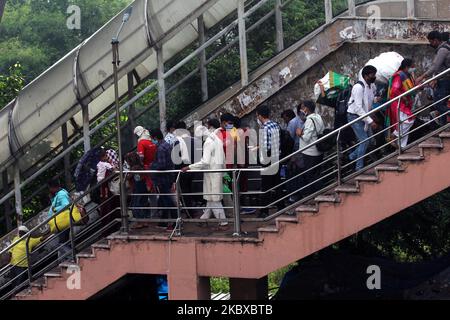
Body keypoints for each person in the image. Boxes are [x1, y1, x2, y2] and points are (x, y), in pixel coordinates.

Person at [181, 119, 228, 230]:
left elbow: (205, 161)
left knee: (214, 199)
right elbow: (223, 159)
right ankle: (204, 219)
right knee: (210, 198)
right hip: (217, 173)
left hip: (212, 174)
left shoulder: (208, 142)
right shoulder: (217, 139)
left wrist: (189, 167)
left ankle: (223, 223)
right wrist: (224, 172)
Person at [347, 65, 379, 171]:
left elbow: (368, 100)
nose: (374, 77)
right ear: (366, 76)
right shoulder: (358, 87)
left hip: (364, 115)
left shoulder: (370, 86)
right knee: (364, 141)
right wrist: (370, 121)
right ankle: (359, 168)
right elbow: (358, 108)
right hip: (355, 116)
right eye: (372, 75)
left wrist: (376, 99)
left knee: (369, 141)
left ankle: (351, 157)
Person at [417, 31, 450, 126]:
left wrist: (422, 77)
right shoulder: (445, 48)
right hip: (442, 80)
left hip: (445, 81)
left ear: (435, 40)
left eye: (431, 41)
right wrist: (435, 79)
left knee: (438, 104)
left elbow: (435, 66)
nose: (430, 44)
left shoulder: (443, 50)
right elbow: (440, 67)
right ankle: (443, 126)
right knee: (441, 103)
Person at [256, 104, 283, 218]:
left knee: (265, 185)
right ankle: (281, 206)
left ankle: (264, 211)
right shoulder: (275, 124)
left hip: (268, 158)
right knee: (277, 183)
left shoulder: (264, 127)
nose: (257, 117)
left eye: (257, 115)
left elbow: (266, 147)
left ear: (260, 115)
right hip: (277, 156)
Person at [6, 226, 50, 291]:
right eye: (19, 232)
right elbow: (10, 250)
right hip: (13, 264)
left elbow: (40, 239)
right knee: (14, 281)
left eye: (21, 233)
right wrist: (9, 261)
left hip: (23, 265)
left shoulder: (30, 240)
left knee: (20, 282)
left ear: (25, 233)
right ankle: (14, 293)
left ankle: (18, 293)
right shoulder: (16, 238)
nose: (20, 234)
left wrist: (50, 233)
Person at [296, 100, 325, 197]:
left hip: (310, 152)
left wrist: (300, 133)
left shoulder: (309, 120)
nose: (301, 109)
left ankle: (318, 194)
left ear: (306, 109)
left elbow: (306, 138)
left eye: (302, 107)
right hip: (318, 151)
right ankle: (316, 195)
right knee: (315, 174)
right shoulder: (318, 117)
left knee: (310, 176)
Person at [150, 129, 177, 231]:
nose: (152, 140)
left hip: (163, 178)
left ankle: (175, 222)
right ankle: (163, 222)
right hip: (169, 176)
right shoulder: (167, 145)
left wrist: (151, 166)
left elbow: (162, 164)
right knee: (164, 199)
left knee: (167, 200)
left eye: (152, 138)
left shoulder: (160, 148)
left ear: (155, 138)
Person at [387, 58, 416, 149]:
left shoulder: (408, 75)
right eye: (412, 66)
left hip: (405, 103)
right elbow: (394, 90)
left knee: (403, 124)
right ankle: (393, 136)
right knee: (409, 120)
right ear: (407, 67)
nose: (414, 68)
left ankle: (401, 147)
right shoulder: (399, 75)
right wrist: (404, 98)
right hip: (399, 103)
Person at [284, 105, 306, 203]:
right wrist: (291, 156)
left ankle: (300, 194)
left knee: (301, 174)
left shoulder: (306, 120)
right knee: (294, 174)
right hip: (295, 152)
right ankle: (293, 195)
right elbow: (289, 140)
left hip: (304, 151)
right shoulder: (294, 122)